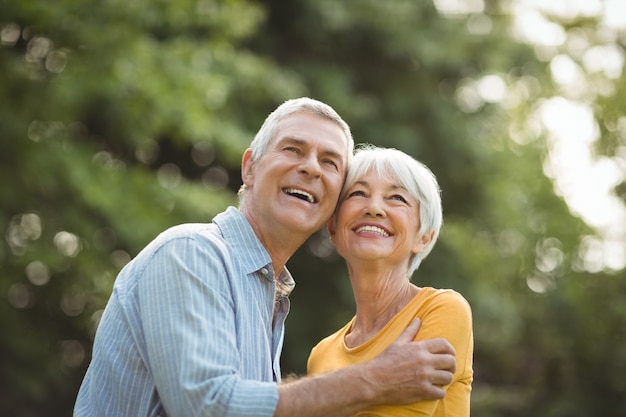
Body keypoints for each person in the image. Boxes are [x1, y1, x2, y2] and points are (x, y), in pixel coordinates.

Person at [74, 98, 457, 417]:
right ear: (250, 168)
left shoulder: (268, 294)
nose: (310, 167)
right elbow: (208, 407)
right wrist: (375, 379)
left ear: (332, 206)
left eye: (329, 162)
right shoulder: (192, 253)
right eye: (293, 149)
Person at [308, 145, 474, 416]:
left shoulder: (442, 310)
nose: (374, 208)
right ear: (333, 228)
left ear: (424, 237)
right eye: (358, 193)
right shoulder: (321, 354)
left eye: (396, 198)